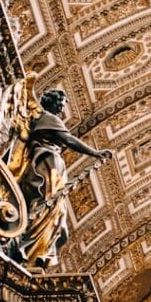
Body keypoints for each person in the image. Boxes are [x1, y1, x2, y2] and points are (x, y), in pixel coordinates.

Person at [18, 89, 111, 268]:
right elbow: (69, 140)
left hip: (54, 166)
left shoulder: (48, 118)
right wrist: (95, 153)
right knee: (47, 206)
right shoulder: (47, 118)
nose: (61, 108)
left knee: (58, 216)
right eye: (59, 104)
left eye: (63, 105)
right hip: (46, 166)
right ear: (50, 102)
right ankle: (29, 248)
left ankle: (38, 252)